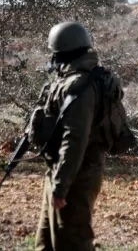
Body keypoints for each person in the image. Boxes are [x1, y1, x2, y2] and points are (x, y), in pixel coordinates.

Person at [34, 21, 110, 251]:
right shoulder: (69, 80)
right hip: (62, 171)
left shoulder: (81, 86)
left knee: (73, 242)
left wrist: (60, 186)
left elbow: (75, 139)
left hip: (77, 176)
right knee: (46, 242)